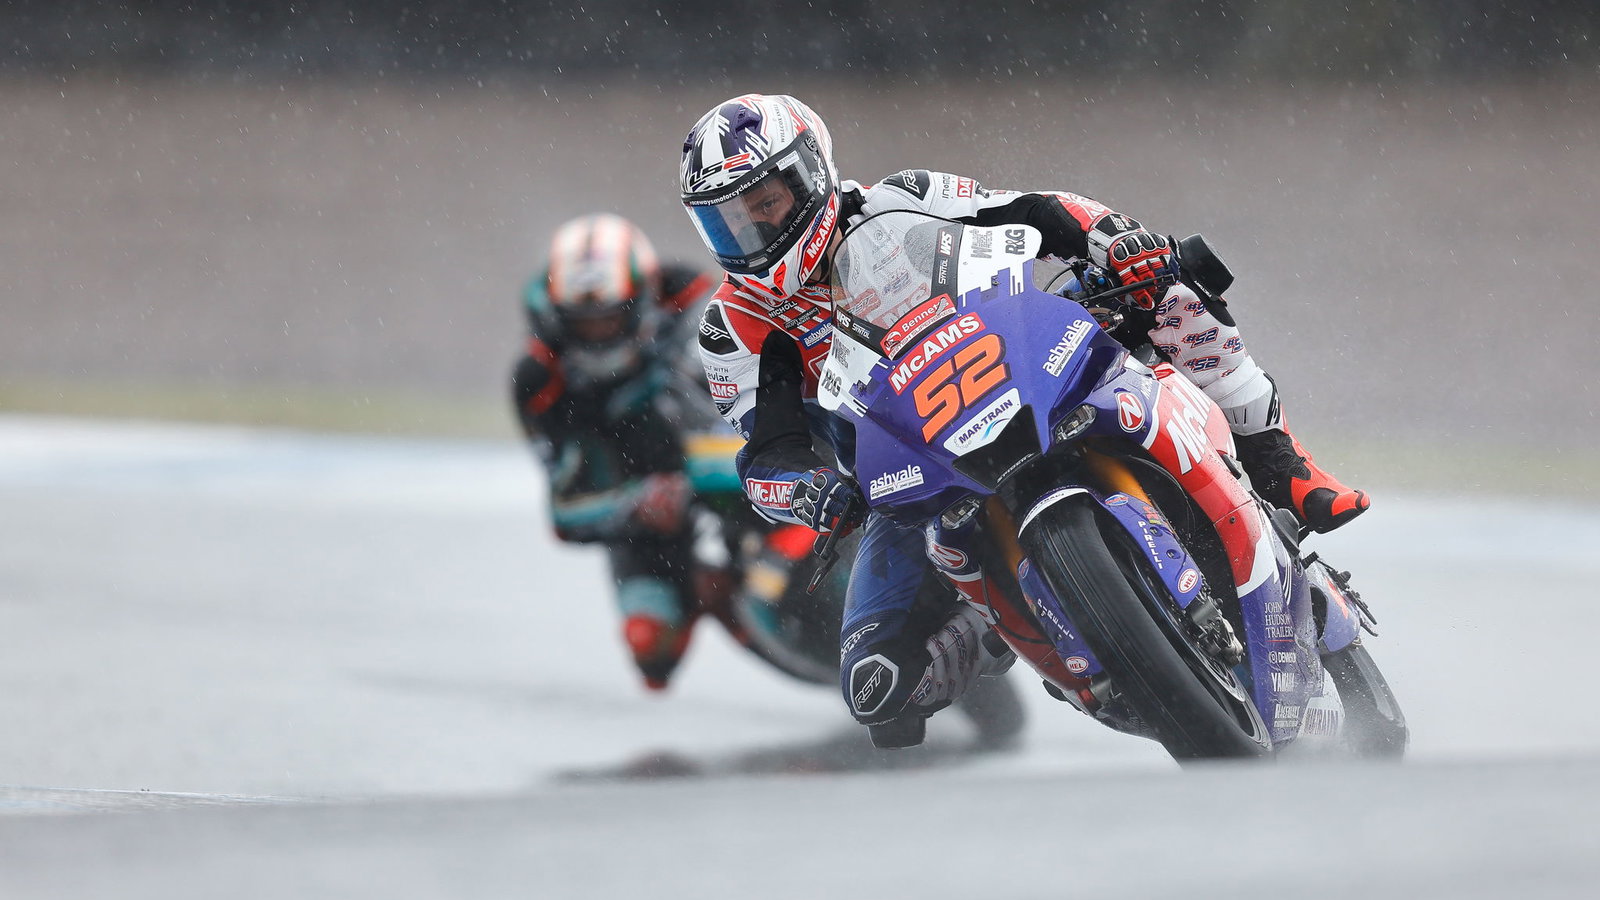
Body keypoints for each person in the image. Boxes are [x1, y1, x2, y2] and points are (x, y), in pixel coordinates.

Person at [678, 93, 1370, 741]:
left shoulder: (904, 197)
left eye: (764, 202)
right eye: (727, 219)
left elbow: (1036, 210)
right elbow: (765, 454)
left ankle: (1278, 461)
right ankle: (1000, 633)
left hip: (1026, 357)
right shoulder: (731, 328)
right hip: (910, 476)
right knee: (878, 687)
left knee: (1171, 281)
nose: (754, 228)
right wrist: (808, 490)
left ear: (811, 173)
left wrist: (1114, 239)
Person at [509, 212, 720, 690]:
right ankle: (711, 594)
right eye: (585, 323)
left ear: (642, 298)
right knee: (650, 651)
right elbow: (565, 508)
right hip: (641, 499)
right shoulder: (538, 381)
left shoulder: (689, 296)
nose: (601, 333)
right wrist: (637, 505)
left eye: (611, 316)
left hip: (729, 457)